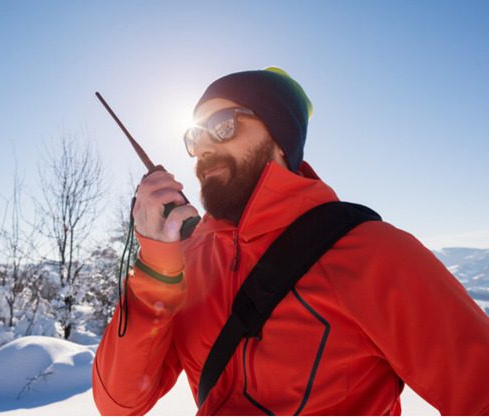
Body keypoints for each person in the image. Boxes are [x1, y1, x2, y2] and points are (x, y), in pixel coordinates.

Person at [92, 67, 489, 415]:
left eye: (224, 125)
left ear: (280, 139)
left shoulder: (374, 253)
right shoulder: (189, 263)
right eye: (196, 135)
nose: (206, 146)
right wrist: (156, 264)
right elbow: (119, 403)